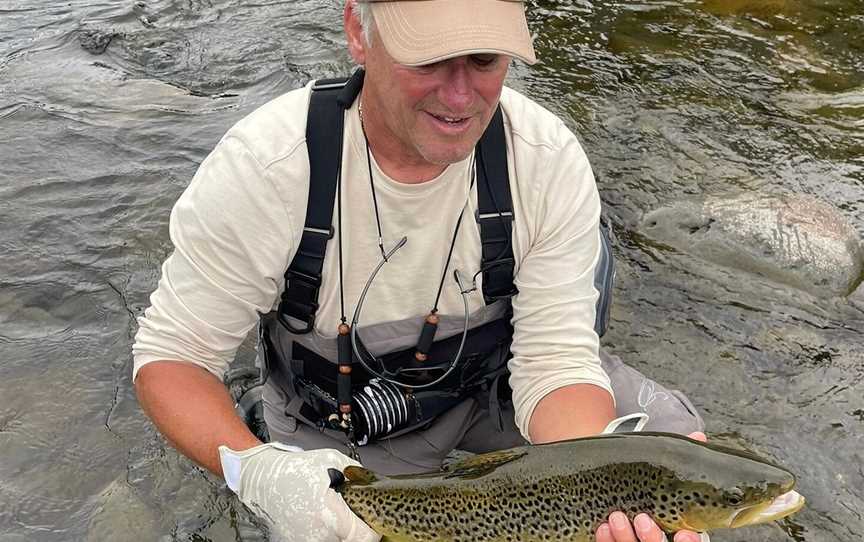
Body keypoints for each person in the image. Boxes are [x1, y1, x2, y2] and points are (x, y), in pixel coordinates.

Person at [132, 1, 706, 541]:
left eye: (483, 59)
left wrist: (601, 488)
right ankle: (268, 423)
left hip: (495, 382)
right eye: (429, 58)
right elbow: (172, 359)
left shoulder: (545, 159)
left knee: (672, 457)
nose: (460, 96)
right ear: (359, 30)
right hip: (350, 415)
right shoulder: (268, 170)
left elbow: (555, 362)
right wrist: (256, 470)